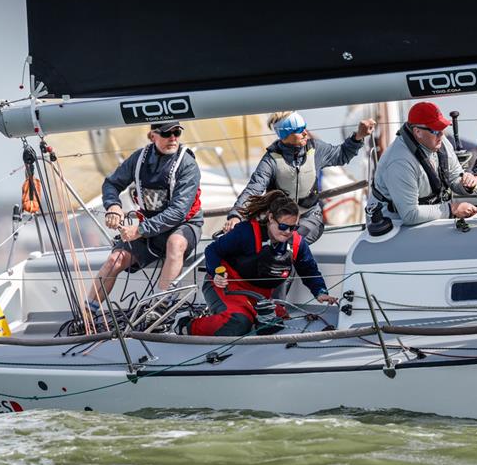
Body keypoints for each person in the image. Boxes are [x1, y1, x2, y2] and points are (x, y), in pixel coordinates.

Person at [182, 191, 337, 336]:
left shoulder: (296, 242)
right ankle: (186, 325)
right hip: (225, 287)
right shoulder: (246, 232)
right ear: (270, 218)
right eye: (283, 226)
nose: (288, 231)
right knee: (238, 323)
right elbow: (212, 250)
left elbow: (308, 268)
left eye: (293, 227)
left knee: (280, 319)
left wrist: (320, 292)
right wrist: (216, 272)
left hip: (258, 296)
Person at [87, 121, 202, 314]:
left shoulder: (188, 164)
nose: (173, 138)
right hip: (150, 230)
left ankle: (159, 308)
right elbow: (111, 184)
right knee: (115, 259)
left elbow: (178, 212)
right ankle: (88, 313)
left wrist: (139, 230)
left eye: (176, 133)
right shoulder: (138, 159)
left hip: (183, 226)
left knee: (175, 243)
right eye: (167, 134)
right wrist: (113, 206)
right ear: (152, 136)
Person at [222, 111, 376, 243]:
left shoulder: (316, 149)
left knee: (291, 242)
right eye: (299, 129)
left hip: (310, 216)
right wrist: (236, 216)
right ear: (285, 135)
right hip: (280, 219)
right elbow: (253, 189)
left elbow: (341, 155)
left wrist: (358, 136)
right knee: (256, 241)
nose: (305, 132)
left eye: (304, 127)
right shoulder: (271, 160)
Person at [369, 101, 477, 225]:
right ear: (418, 132)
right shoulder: (400, 162)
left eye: (442, 129)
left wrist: (466, 184)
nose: (441, 135)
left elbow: (455, 177)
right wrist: (452, 209)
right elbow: (410, 214)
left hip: (429, 218)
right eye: (435, 130)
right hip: (393, 224)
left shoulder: (441, 142)